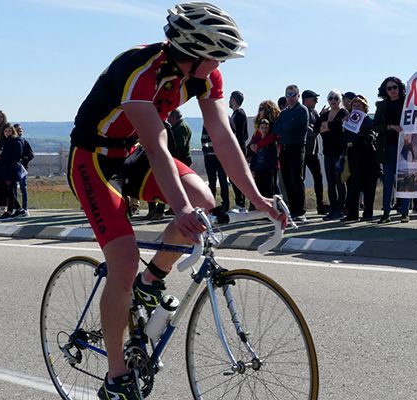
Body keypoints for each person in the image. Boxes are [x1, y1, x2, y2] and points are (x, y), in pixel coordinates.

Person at [65, 4, 283, 399]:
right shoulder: (140, 69)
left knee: (204, 196)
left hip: (131, 154)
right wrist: (181, 211)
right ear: (193, 51)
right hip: (93, 160)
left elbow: (222, 137)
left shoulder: (205, 75)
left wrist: (258, 198)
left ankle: (150, 282)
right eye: (216, 55)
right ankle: (116, 378)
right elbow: (157, 144)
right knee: (124, 259)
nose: (220, 64)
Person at [273, 84, 309, 220]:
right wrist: (285, 126)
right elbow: (276, 128)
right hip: (285, 148)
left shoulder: (302, 110)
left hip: (297, 147)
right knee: (287, 179)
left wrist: (285, 126)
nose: (290, 97)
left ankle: (300, 211)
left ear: (298, 96)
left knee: (296, 179)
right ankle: (292, 209)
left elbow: (294, 127)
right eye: (288, 95)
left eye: (293, 95)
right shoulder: (284, 112)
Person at [373, 77, 406, 223]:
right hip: (388, 147)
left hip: (405, 146)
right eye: (389, 88)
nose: (392, 90)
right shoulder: (382, 105)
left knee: (405, 180)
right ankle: (386, 213)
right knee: (388, 180)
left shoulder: (408, 103)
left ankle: (405, 212)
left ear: (400, 87)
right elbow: (375, 126)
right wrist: (390, 127)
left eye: (395, 87)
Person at [341, 95, 378, 222]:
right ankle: (352, 213)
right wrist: (345, 124)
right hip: (353, 155)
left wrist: (358, 135)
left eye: (359, 106)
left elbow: (371, 137)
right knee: (353, 184)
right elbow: (345, 138)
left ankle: (368, 213)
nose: (356, 108)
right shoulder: (348, 120)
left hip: (367, 155)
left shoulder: (368, 120)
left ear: (364, 108)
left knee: (368, 185)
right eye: (354, 106)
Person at [315, 89, 349, 220]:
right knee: (330, 182)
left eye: (336, 98)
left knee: (339, 181)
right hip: (327, 152)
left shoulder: (343, 112)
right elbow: (317, 127)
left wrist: (327, 126)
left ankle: (340, 209)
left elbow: (340, 128)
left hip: (339, 152)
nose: (333, 101)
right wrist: (328, 125)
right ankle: (332, 208)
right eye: (330, 98)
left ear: (340, 100)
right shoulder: (326, 113)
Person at [302, 89, 328, 215]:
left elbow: (319, 126)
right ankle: (301, 205)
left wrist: (322, 116)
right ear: (306, 100)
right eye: (314, 99)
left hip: (313, 151)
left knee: (318, 177)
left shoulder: (314, 112)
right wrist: (317, 128)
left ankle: (320, 204)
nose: (317, 101)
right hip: (302, 151)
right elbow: (312, 131)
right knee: (300, 179)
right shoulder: (302, 112)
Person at [0, 123, 24, 219]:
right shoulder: (4, 141)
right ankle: (18, 209)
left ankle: (11, 211)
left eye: (10, 131)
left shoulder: (16, 141)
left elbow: (17, 155)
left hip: (11, 169)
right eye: (6, 131)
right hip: (5, 169)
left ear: (13, 131)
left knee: (10, 191)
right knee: (8, 191)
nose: (8, 133)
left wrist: (3, 157)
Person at [201, 126, 230, 210]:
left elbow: (228, 139)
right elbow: (203, 139)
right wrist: (206, 152)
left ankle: (225, 204)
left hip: (221, 157)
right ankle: (211, 204)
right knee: (212, 182)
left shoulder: (223, 123)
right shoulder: (207, 124)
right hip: (210, 156)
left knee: (223, 180)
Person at [228, 90, 248, 210]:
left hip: (238, 149)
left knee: (237, 176)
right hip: (238, 149)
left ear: (234, 100)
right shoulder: (237, 114)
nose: (229, 101)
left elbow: (240, 135)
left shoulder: (239, 115)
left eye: (230, 99)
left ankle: (240, 203)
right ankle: (239, 202)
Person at [249, 119, 278, 197]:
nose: (264, 130)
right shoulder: (256, 142)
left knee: (269, 190)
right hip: (258, 169)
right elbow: (254, 157)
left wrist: (272, 167)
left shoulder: (271, 141)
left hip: (268, 169)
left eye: (266, 128)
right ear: (259, 129)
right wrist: (252, 169)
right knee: (258, 190)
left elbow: (274, 156)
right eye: (262, 128)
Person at [14, 124, 33, 216]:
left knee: (23, 187)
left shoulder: (25, 142)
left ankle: (25, 208)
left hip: (22, 169)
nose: (19, 131)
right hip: (13, 168)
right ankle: (16, 208)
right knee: (13, 188)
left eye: (20, 130)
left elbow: (31, 155)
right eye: (17, 130)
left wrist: (23, 160)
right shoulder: (12, 142)